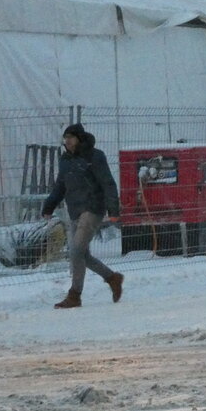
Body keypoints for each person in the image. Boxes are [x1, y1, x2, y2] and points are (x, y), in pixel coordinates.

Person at [41, 123, 124, 309]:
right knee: (83, 254)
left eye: (70, 137)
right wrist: (49, 206)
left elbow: (108, 183)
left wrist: (113, 211)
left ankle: (74, 295)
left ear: (79, 138)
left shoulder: (94, 156)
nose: (67, 141)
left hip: (92, 208)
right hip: (75, 210)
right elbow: (60, 186)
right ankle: (112, 278)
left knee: (76, 250)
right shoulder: (65, 160)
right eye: (65, 138)